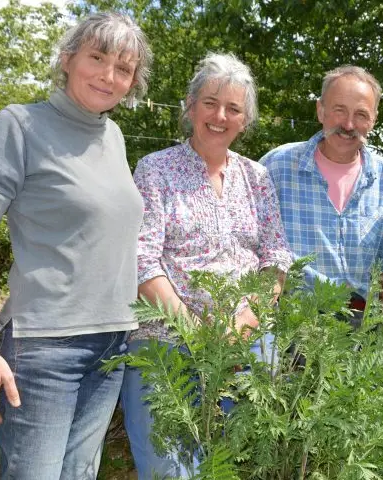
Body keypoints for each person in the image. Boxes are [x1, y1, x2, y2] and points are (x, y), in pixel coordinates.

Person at [0, 12, 152, 479]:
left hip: (114, 344)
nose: (108, 75)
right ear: (67, 59)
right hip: (43, 349)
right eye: (97, 58)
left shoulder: (115, 137)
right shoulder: (18, 126)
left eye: (123, 68)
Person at [123, 52, 293, 479]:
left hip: (246, 344)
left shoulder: (257, 178)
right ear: (190, 106)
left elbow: (275, 259)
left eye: (233, 108)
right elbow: (141, 256)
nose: (220, 116)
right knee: (169, 466)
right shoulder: (155, 169)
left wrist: (246, 323)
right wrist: (194, 332)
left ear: (245, 120)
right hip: (166, 339)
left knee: (247, 462)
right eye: (210, 103)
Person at [260, 66, 383, 311]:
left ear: (374, 119)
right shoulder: (277, 166)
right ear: (321, 110)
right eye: (339, 110)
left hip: (358, 322)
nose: (349, 124)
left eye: (361, 114)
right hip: (289, 321)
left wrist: (373, 321)